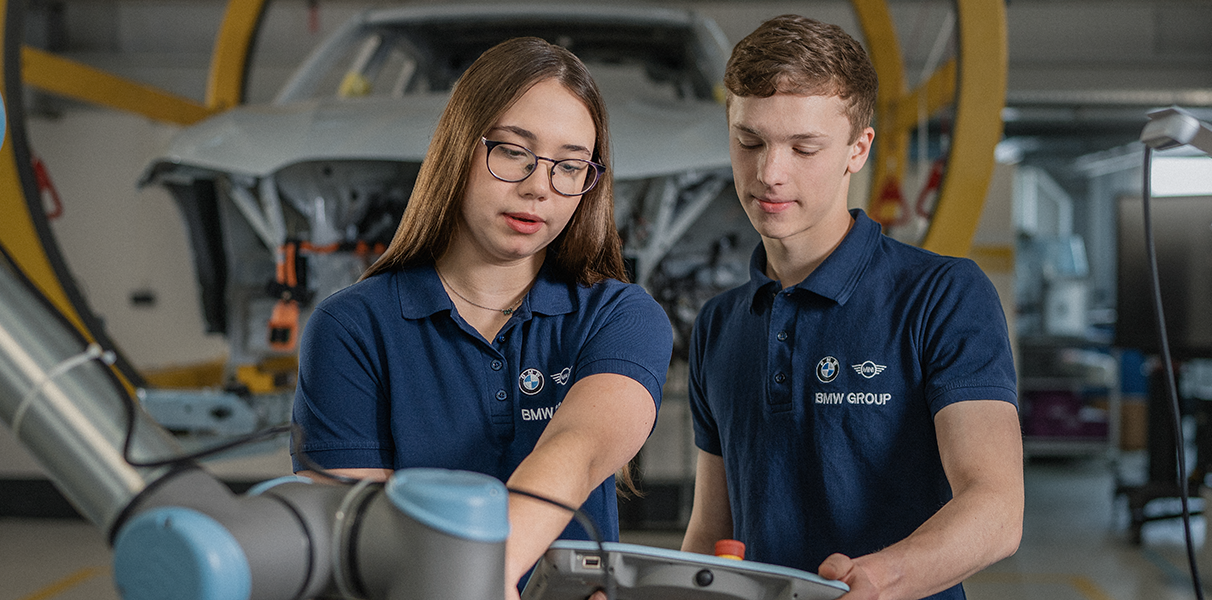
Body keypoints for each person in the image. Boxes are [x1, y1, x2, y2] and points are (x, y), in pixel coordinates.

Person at [290, 37, 672, 599]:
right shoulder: (352, 329)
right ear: (458, 149)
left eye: (569, 166)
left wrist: (485, 577)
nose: (539, 186)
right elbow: (353, 542)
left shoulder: (618, 316)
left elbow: (580, 447)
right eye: (514, 151)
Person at [679, 15, 1023, 600]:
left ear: (857, 150)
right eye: (750, 141)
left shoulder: (942, 295)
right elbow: (714, 530)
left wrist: (879, 579)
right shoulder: (719, 325)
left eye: (803, 146)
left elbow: (995, 508)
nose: (769, 173)